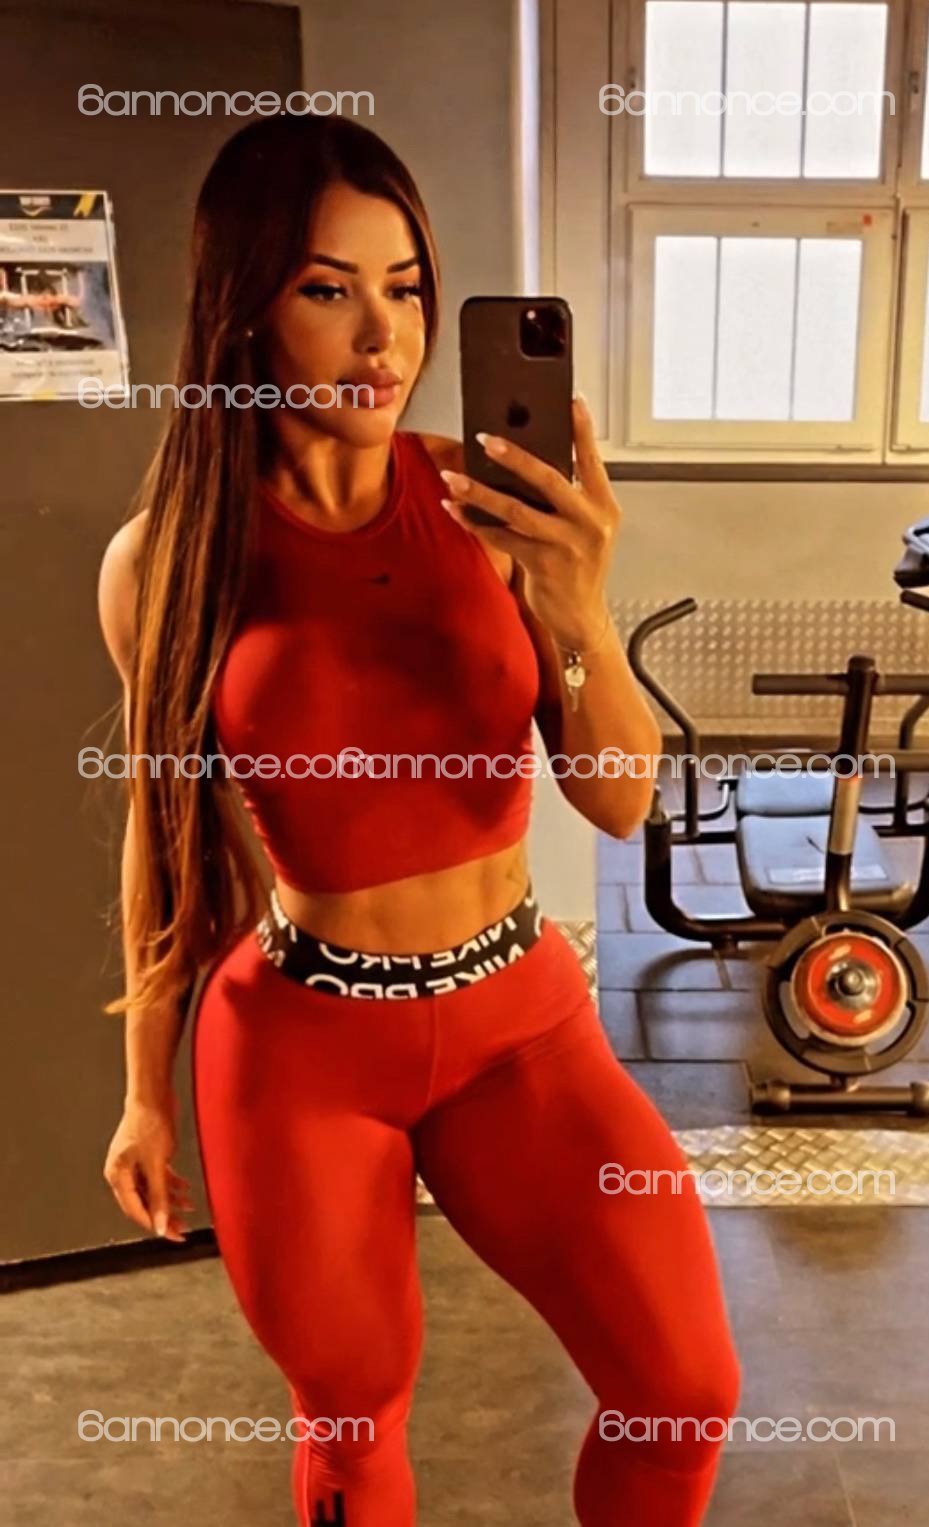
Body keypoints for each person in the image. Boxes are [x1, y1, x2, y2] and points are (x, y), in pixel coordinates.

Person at [97, 114, 741, 1526]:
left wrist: (578, 609)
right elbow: (161, 830)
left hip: (519, 1022)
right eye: (328, 290)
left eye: (405, 288)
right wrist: (145, 1087)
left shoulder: (489, 508)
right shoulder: (168, 558)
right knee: (352, 1414)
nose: (382, 337)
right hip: (301, 1048)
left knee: (681, 1391)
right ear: (245, 308)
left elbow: (618, 799)